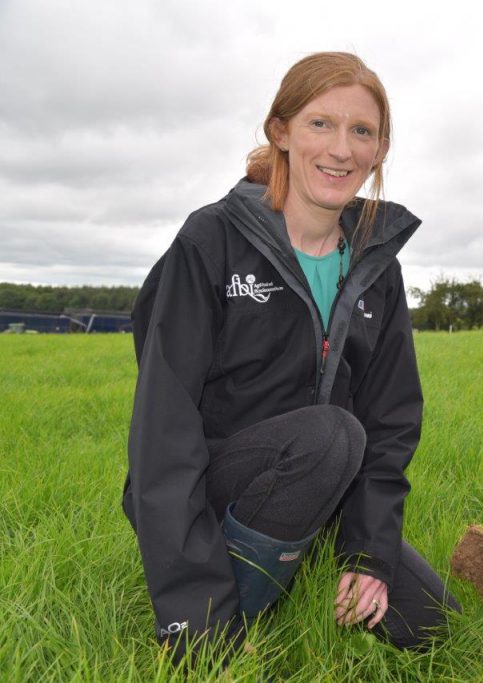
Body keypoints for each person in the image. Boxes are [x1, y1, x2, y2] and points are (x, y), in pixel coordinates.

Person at [123, 52, 459, 665]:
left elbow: (390, 423)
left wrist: (369, 555)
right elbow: (163, 430)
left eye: (362, 131)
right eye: (320, 124)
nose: (341, 149)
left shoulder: (376, 268)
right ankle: (217, 626)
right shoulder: (211, 240)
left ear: (380, 150)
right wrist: (194, 615)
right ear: (281, 132)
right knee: (328, 436)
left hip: (322, 485)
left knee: (430, 624)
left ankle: (301, 563)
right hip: (216, 487)